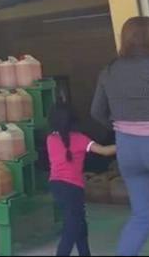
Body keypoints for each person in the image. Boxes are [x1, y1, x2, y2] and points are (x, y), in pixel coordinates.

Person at [91, 16, 149, 256]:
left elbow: (96, 112)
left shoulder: (109, 71)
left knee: (142, 216)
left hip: (127, 149)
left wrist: (122, 128)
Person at [47, 103, 116, 256]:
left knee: (79, 224)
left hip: (56, 186)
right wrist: (126, 144)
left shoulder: (50, 139)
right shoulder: (80, 139)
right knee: (71, 229)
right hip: (72, 188)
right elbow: (104, 151)